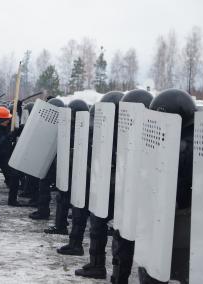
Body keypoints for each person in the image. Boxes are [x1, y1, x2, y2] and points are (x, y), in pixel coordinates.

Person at [137, 89, 195, 284]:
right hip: (173, 216)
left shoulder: (186, 146)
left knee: (167, 270)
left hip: (179, 218)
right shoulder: (188, 139)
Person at [74, 91, 124, 280]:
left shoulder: (120, 132)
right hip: (109, 184)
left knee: (110, 230)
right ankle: (98, 265)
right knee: (99, 226)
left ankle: (108, 270)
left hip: (112, 186)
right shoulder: (108, 130)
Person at [108, 89, 153, 284]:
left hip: (142, 199)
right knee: (123, 241)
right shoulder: (124, 131)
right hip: (129, 195)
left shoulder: (155, 133)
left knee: (144, 251)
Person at [45, 99, 89, 235]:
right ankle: (61, 226)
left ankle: (66, 231)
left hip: (76, 171)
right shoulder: (82, 127)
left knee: (74, 203)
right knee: (64, 199)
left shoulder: (82, 129)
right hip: (73, 170)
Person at [29, 98, 65, 220]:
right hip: (59, 161)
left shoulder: (49, 122)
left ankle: (43, 211)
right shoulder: (66, 121)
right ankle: (54, 216)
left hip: (52, 161)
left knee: (45, 187)